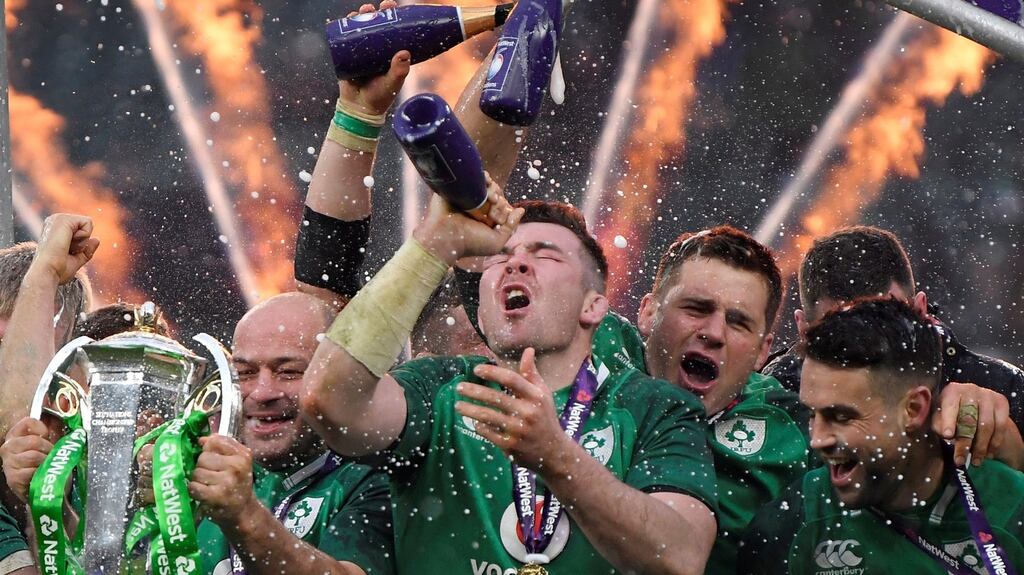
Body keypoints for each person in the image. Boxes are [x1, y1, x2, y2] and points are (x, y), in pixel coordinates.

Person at [301, 194, 720, 573]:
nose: (515, 264)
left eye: (547, 255)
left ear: (593, 306)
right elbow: (328, 399)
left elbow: (680, 558)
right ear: (482, 315)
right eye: (499, 258)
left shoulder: (654, 406)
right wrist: (429, 247)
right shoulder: (439, 389)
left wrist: (556, 456)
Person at [741, 298, 1024, 574]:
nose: (818, 440)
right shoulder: (793, 520)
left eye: (841, 417)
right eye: (813, 414)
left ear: (914, 409)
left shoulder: (1011, 509)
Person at [763, 225, 1024, 467]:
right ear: (803, 330)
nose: (866, 353)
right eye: (839, 333)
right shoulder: (771, 395)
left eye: (889, 322)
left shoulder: (1002, 387)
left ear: (921, 311)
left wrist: (1011, 452)